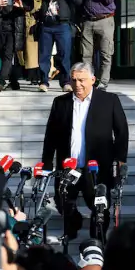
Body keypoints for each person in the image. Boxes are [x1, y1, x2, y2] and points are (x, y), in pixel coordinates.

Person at [41, 62, 128, 239]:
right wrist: (47, 162)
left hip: (97, 167)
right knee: (63, 202)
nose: (77, 84)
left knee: (99, 205)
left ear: (93, 80)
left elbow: (122, 131)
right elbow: (51, 135)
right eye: (73, 80)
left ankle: (97, 239)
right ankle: (73, 226)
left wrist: (120, 159)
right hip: (68, 166)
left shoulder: (109, 100)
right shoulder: (60, 102)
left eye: (82, 80)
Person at [35, 0, 83, 93]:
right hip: (46, 25)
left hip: (62, 25)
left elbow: (79, 1)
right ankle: (44, 82)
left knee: (64, 55)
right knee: (44, 55)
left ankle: (66, 82)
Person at [76, 0, 118, 90]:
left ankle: (103, 83)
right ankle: (88, 81)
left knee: (106, 53)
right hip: (88, 21)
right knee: (86, 54)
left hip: (105, 20)